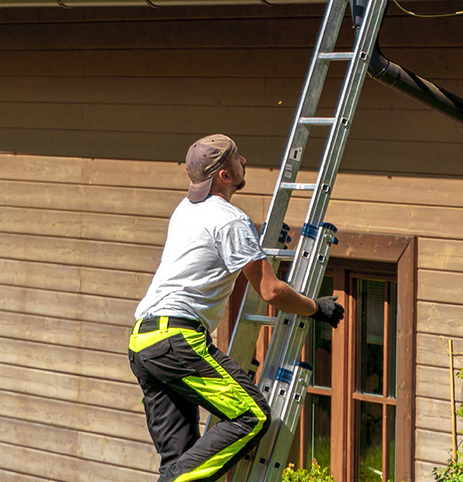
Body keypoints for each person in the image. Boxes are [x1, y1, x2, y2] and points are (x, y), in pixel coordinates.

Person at [128, 135, 345, 482]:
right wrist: (315, 308)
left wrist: (257, 245)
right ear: (224, 176)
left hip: (143, 343)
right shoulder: (230, 220)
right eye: (236, 158)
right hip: (176, 342)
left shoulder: (186, 209)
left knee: (179, 461)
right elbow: (271, 291)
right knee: (252, 416)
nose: (243, 159)